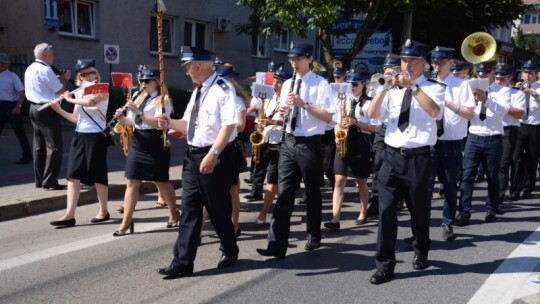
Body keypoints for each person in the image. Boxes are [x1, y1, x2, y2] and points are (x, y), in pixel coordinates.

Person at [156, 46, 239, 278]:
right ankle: (182, 262)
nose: (186, 73)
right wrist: (169, 123)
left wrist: (213, 154)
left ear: (198, 66)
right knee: (190, 210)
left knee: (218, 210)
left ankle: (230, 249)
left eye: (187, 68)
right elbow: (187, 125)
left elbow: (229, 125)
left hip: (214, 155)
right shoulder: (198, 91)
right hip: (192, 156)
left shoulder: (224, 89)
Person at [367, 39, 445, 284]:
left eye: (412, 61)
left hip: (418, 158)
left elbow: (434, 112)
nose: (406, 65)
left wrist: (413, 87)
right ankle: (385, 264)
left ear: (424, 64)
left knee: (419, 212)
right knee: (386, 211)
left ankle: (421, 247)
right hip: (391, 156)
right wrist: (382, 89)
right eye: (404, 60)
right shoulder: (392, 89)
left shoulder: (434, 87)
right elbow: (372, 115)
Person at [256, 41, 335, 258]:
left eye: (298, 59)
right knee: (284, 193)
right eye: (292, 59)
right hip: (288, 141)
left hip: (310, 142)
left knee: (311, 191)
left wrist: (304, 104)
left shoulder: (320, 84)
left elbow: (329, 117)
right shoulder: (289, 84)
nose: (295, 63)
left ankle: (313, 234)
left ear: (309, 59)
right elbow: (286, 117)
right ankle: (276, 244)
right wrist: (279, 116)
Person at [112, 68, 179, 236]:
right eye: (141, 81)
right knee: (132, 181)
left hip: (156, 141)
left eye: (147, 81)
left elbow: (159, 123)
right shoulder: (138, 97)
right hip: (139, 141)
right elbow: (133, 122)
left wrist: (138, 112)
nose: (143, 84)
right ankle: (126, 222)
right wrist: (121, 118)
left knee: (161, 181)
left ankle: (174, 213)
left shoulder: (164, 100)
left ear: (157, 81)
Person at [48, 59, 110, 227]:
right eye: (84, 74)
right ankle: (69, 215)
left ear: (96, 73)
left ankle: (103, 210)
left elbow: (91, 102)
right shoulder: (78, 92)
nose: (89, 76)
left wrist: (69, 99)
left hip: (95, 136)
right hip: (80, 135)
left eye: (91, 73)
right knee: (73, 175)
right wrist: (59, 109)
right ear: (79, 77)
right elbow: (76, 118)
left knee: (98, 176)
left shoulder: (101, 88)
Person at [454, 61, 511, 227]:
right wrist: (470, 100)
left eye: (485, 74)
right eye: (479, 74)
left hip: (493, 138)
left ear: (493, 73)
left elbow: (502, 111)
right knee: (467, 175)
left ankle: (492, 208)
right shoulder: (469, 91)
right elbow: (465, 113)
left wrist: (485, 99)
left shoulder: (503, 91)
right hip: (474, 136)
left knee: (492, 176)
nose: (482, 77)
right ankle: (464, 212)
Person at [428, 46, 475, 241]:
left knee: (449, 186)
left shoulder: (461, 85)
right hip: (430, 141)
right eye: (434, 62)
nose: (437, 66)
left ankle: (447, 222)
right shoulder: (427, 84)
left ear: (450, 63)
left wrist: (447, 102)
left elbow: (469, 113)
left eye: (441, 62)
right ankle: (420, 227)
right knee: (424, 187)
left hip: (452, 142)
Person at [324, 70, 375, 232]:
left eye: (355, 84)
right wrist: (337, 135)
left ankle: (363, 211)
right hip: (344, 141)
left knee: (361, 181)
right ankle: (335, 218)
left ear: (363, 84)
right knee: (339, 180)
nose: (351, 87)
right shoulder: (342, 101)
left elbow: (375, 128)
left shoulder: (369, 103)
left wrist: (356, 122)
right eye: (349, 84)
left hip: (361, 142)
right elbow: (336, 122)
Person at [24, 43, 71, 190]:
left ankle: (40, 180)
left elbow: (44, 84)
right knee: (55, 146)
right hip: (46, 109)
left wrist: (56, 79)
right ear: (45, 55)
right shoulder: (45, 69)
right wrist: (65, 79)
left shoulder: (30, 68)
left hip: (33, 107)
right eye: (52, 54)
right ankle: (50, 181)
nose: (54, 57)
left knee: (39, 146)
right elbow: (61, 90)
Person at [250, 69, 291, 225]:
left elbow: (291, 123)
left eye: (279, 82)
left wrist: (273, 122)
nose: (275, 84)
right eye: (274, 81)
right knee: (258, 173)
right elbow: (258, 112)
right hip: (265, 141)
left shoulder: (287, 101)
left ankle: (264, 212)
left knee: (272, 179)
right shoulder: (269, 98)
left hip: (279, 143)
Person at [367, 53, 402, 217]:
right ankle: (375, 200)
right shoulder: (380, 86)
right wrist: (382, 87)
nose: (386, 75)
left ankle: (398, 198)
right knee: (378, 164)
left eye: (390, 72)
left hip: (398, 128)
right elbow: (373, 111)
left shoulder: (403, 88)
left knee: (397, 165)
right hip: (383, 128)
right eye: (385, 71)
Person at [495, 64, 526, 204]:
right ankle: (493, 196)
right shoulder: (491, 91)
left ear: (509, 78)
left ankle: (498, 198)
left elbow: (520, 114)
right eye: (497, 78)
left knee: (503, 165)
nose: (499, 81)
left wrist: (503, 106)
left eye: (502, 78)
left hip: (508, 131)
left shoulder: (517, 93)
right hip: (492, 131)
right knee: (493, 166)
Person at [510, 60, 540, 200]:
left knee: (531, 158)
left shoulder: (539, 87)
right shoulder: (516, 87)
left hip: (535, 126)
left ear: (536, 74)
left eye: (531, 73)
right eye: (526, 72)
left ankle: (527, 186)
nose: (528, 75)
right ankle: (515, 188)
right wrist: (515, 90)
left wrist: (533, 93)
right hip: (519, 125)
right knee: (516, 157)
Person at [0, 52, 32, 164]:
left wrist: (18, 106)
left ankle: (27, 156)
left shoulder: (12, 76)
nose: (3, 65)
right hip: (0, 105)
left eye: (5, 63)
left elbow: (21, 93)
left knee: (20, 132)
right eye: (1, 63)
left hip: (11, 106)